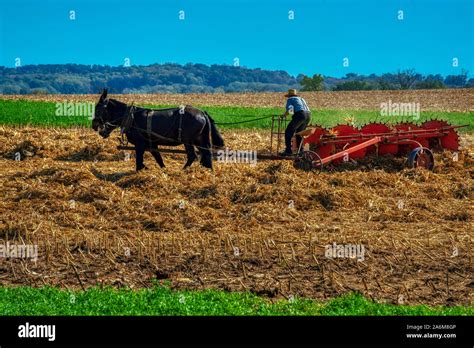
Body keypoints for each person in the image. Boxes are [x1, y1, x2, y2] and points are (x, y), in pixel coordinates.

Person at [279, 89, 311, 156]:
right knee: (299, 133)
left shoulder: (290, 99)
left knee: (288, 131)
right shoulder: (301, 99)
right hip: (308, 115)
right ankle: (301, 152)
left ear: (289, 96)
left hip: (300, 115)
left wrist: (283, 116)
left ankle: (288, 151)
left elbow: (290, 110)